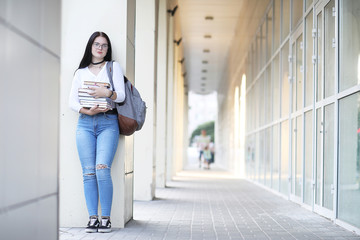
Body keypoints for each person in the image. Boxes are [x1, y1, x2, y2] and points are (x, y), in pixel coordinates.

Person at [69, 31, 125, 233]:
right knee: (89, 172)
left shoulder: (113, 67)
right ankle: (93, 218)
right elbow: (72, 101)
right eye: (97, 44)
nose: (100, 48)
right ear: (90, 46)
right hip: (85, 123)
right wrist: (87, 110)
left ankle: (106, 219)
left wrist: (106, 93)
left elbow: (121, 96)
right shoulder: (80, 72)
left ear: (107, 49)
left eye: (104, 45)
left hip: (107, 123)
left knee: (102, 169)